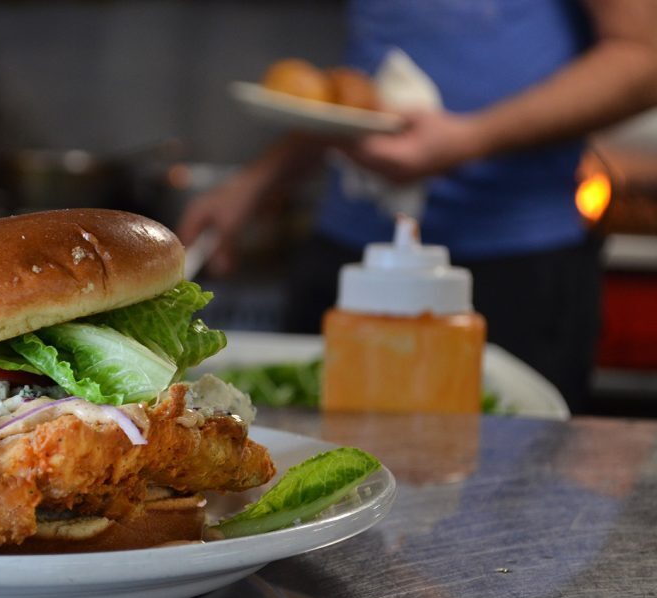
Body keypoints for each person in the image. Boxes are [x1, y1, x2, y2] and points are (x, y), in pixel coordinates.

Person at [178, 0, 657, 413]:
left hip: (512, 270)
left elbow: (645, 56)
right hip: (349, 261)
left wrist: (470, 139)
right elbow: (368, 84)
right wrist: (258, 181)